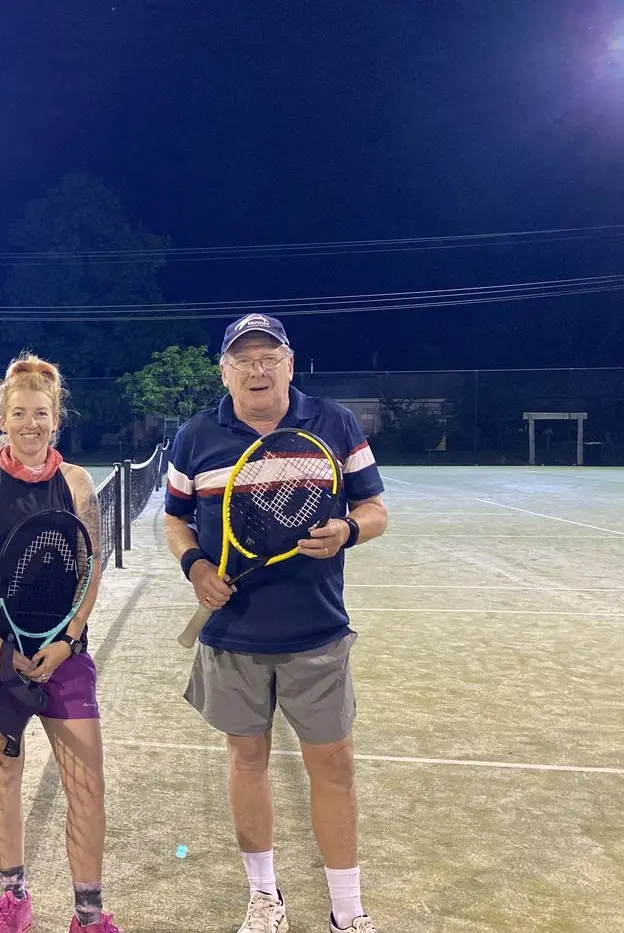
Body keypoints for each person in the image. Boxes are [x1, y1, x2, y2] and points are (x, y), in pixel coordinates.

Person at [163, 313, 389, 933]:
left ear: (290, 364)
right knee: (246, 760)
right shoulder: (195, 436)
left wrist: (348, 530)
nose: (257, 370)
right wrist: (195, 566)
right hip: (231, 636)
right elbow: (175, 518)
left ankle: (348, 911)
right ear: (225, 372)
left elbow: (374, 509)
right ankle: (264, 898)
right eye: (243, 360)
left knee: (335, 766)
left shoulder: (335, 424)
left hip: (317, 632)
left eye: (269, 358)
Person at [0, 354, 122, 933]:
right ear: (3, 418)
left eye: (41, 413)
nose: (30, 424)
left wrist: (68, 640)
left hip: (63, 657)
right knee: (3, 778)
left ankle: (88, 915)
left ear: (56, 419)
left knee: (87, 785)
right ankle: (14, 899)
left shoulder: (77, 484)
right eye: (19, 413)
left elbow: (90, 568)